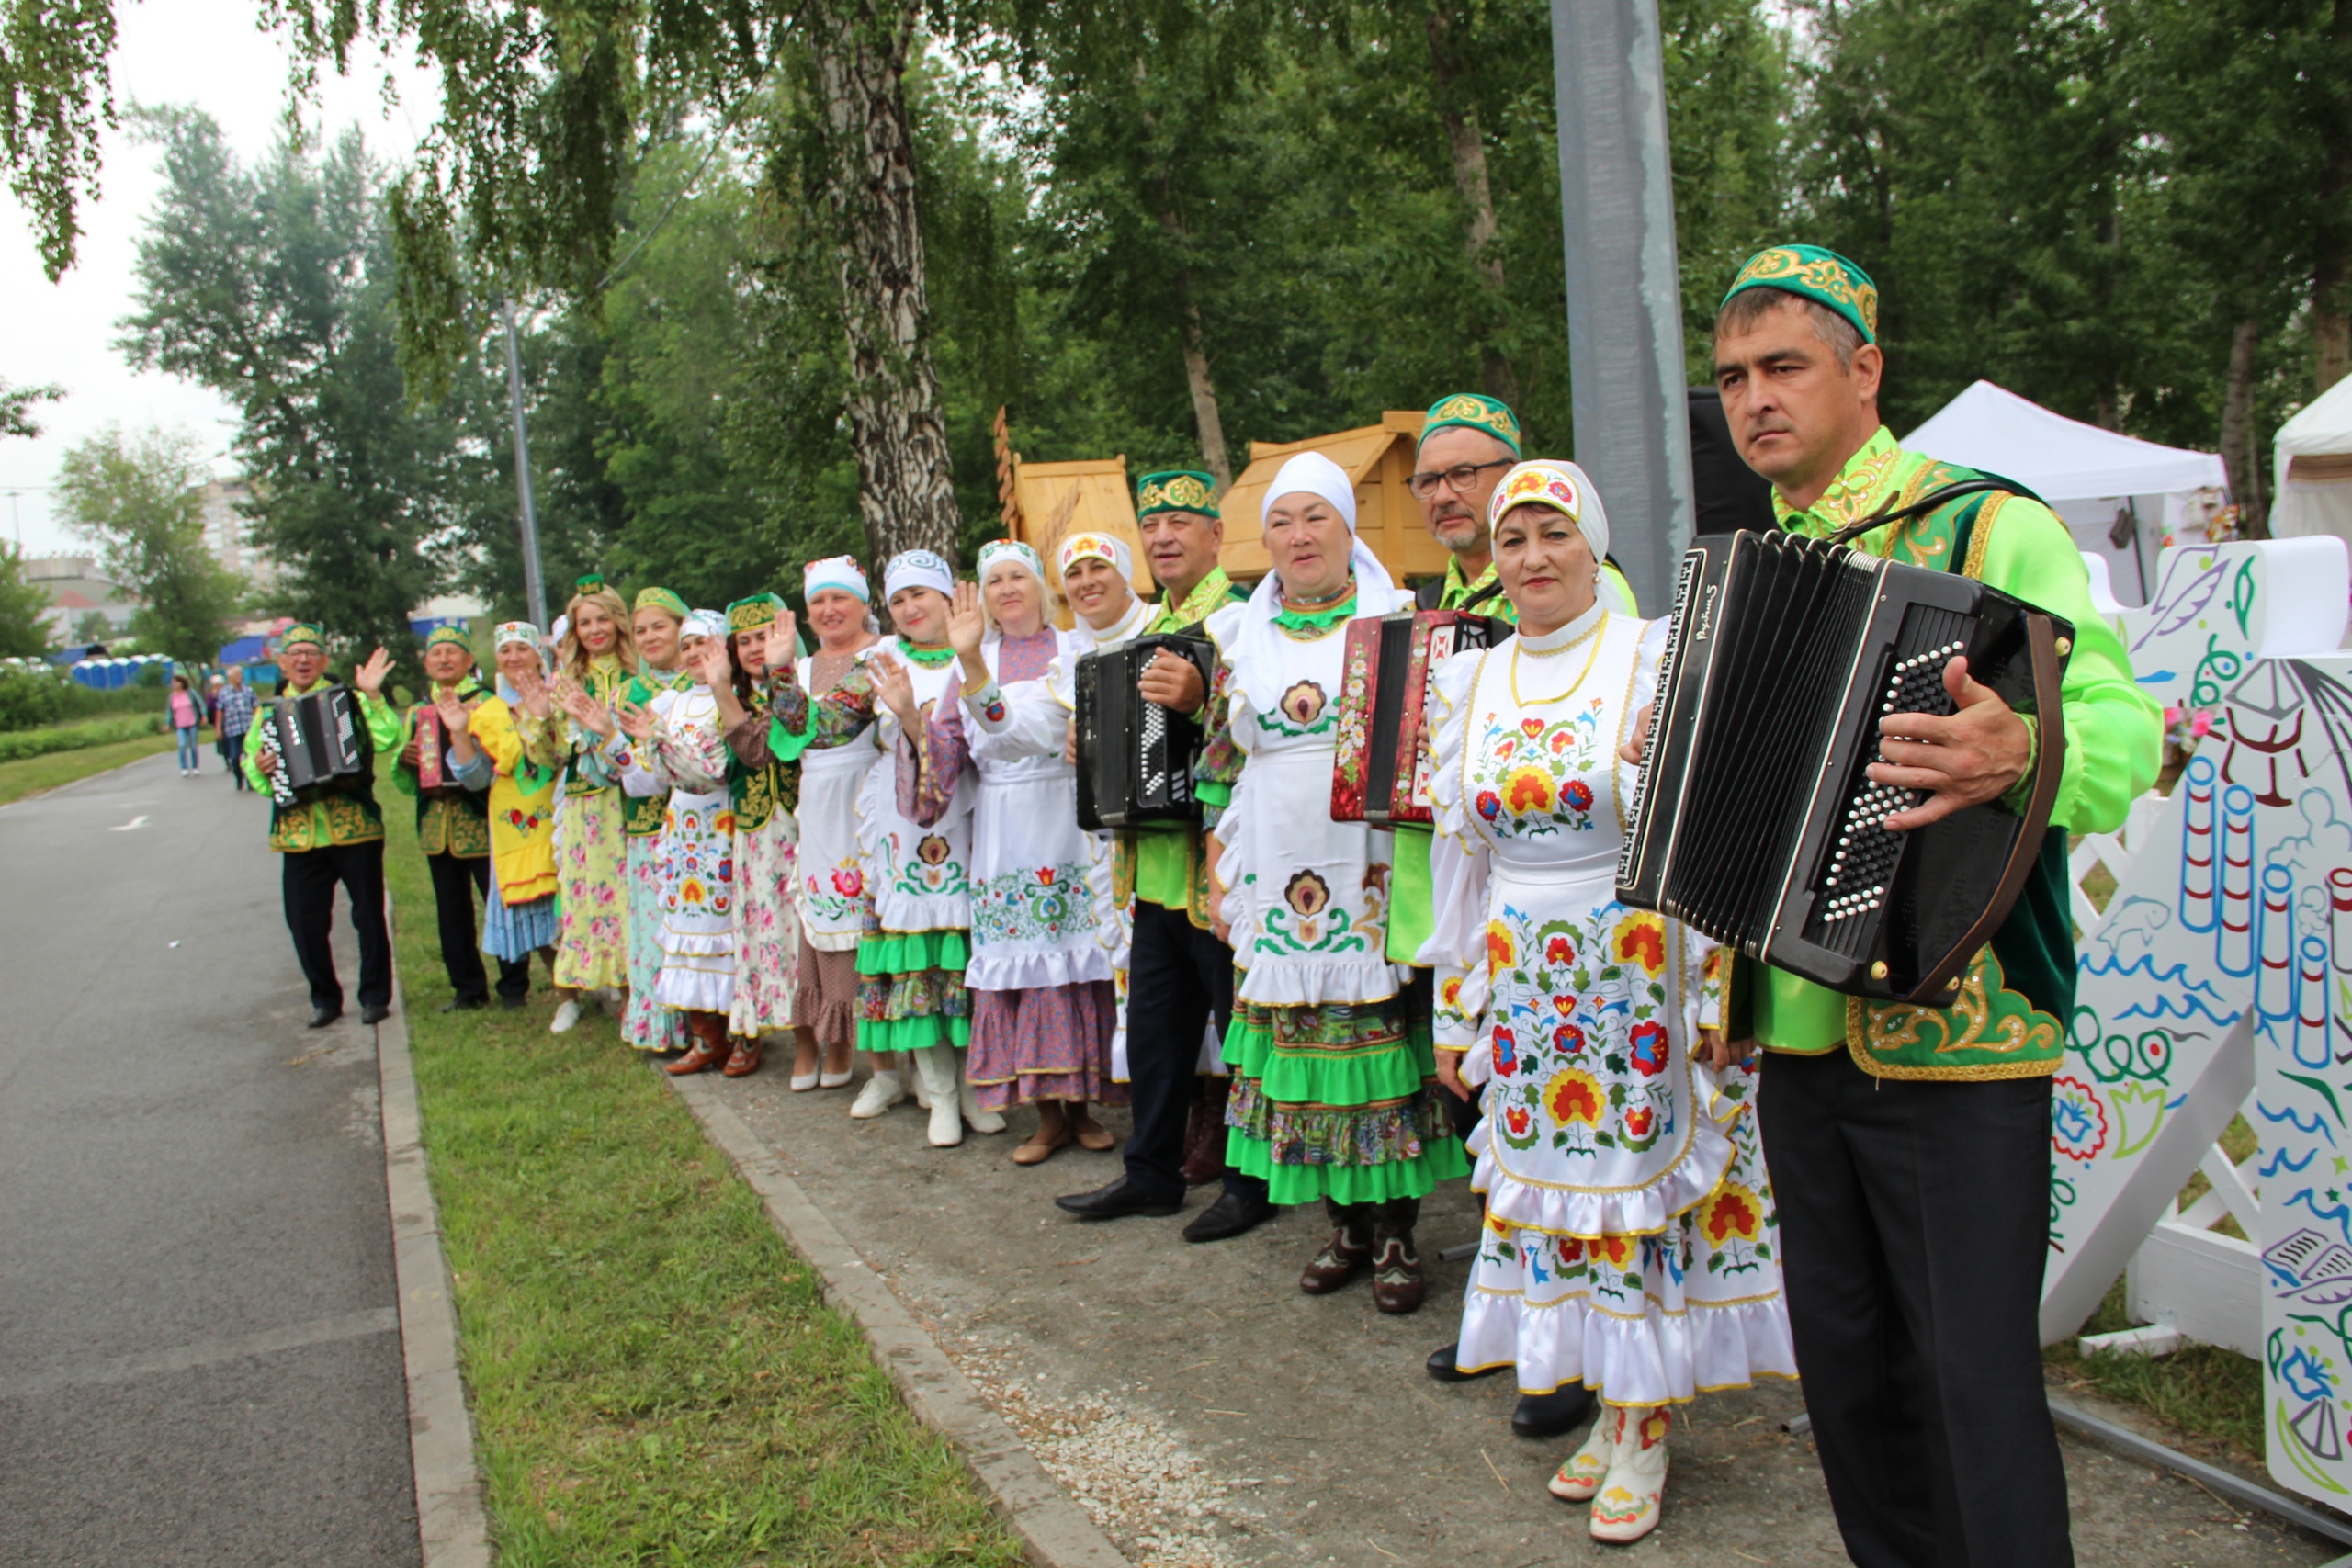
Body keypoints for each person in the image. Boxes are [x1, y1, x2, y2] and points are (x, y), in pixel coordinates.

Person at [1682, 246, 2160, 1567]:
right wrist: (1730, 985)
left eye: (1784, 364)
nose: (1756, 397)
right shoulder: (1758, 564)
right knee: (1847, 1380)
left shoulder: (1985, 524)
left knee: (1970, 1387)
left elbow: (2126, 724)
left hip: (1964, 1026)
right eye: (1732, 376)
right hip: (1801, 1043)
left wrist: (2027, 751)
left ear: (1864, 369)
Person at [1422, 459, 1797, 1543]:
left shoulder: (1652, 656)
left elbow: (1719, 817)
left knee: (1634, 1188)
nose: (1533, 557)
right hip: (1528, 975)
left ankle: (1644, 1424)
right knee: (1556, 1196)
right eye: (1512, 539)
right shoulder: (1468, 682)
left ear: (1592, 545)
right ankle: (1604, 1402)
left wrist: (1720, 988)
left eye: (1553, 533)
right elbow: (1463, 866)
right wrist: (1460, 1010)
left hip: (1639, 958)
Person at [1204, 450, 1470, 1311]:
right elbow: (1218, 765)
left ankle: (1396, 1231)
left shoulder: (1400, 621)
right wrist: (1218, 870)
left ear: (1349, 528)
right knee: (1304, 1055)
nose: (1297, 535)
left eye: (1315, 517)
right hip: (1275, 858)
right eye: (1281, 522)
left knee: (1377, 1050)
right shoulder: (1234, 636)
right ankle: (1345, 1225)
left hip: (1372, 867)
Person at [1056, 471, 1272, 1241]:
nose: (1165, 536)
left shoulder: (1244, 618)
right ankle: (1151, 1174)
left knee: (1235, 1028)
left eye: (1183, 520)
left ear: (1217, 534)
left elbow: (1263, 722)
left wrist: (1202, 691)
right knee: (1153, 1034)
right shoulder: (1147, 628)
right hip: (1151, 868)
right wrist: (1092, 749)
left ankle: (1252, 1182)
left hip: (1216, 868)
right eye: (1153, 526)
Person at [924, 545, 1121, 1165]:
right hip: (1007, 830)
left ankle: (1084, 1108)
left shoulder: (1075, 647)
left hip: (1069, 817)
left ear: (1040, 587)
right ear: (982, 597)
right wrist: (914, 719)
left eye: (1018, 577)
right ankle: (1045, 1114)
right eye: (995, 581)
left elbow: (1038, 725)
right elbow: (952, 752)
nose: (1007, 589)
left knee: (1078, 960)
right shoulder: (970, 664)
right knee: (1024, 962)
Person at [860, 550, 986, 1147]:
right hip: (903, 826)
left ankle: (970, 1087)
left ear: (947, 598)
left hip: (966, 821)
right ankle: (937, 1091)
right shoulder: (877, 661)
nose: (911, 608)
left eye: (921, 595)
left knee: (963, 960)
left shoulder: (976, 656)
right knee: (918, 960)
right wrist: (908, 716)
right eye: (898, 599)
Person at [596, 608, 738, 1074]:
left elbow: (714, 770)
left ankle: (744, 1037)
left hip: (723, 827)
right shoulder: (669, 704)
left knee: (728, 933)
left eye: (705, 642)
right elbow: (645, 784)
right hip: (682, 832)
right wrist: (612, 738)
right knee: (685, 932)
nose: (696, 652)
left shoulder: (734, 699)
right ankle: (706, 1037)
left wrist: (661, 741)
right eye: (690, 644)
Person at [242, 625, 402, 1027]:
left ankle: (375, 996)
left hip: (354, 827)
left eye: (311, 653)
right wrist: (261, 769)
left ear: (324, 661)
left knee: (367, 915)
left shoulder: (349, 700)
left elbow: (386, 739)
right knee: (304, 921)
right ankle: (324, 998)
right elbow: (253, 764)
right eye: (294, 653)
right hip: (299, 833)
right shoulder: (267, 713)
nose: (302, 660)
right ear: (281, 663)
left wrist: (375, 695)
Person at [391, 626, 521, 1011]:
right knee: (451, 910)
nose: (444, 659)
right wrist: (405, 758)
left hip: (482, 818)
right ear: (427, 664)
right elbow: (403, 776)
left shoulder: (489, 703)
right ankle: (467, 988)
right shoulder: (418, 712)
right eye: (436, 654)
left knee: (499, 903)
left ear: (469, 661)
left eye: (453, 652)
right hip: (437, 823)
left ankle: (513, 984)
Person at [706, 592, 808, 1077]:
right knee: (760, 928)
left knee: (804, 927)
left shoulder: (800, 684)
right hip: (754, 828)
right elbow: (722, 764)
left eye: (763, 636)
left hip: (803, 822)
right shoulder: (723, 698)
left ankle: (820, 1028)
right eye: (743, 640)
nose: (753, 648)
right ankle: (754, 1027)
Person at [791, 558, 883, 1094]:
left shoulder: (880, 655)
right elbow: (782, 739)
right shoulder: (800, 669)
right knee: (821, 915)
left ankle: (877, 1054)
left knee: (866, 919)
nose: (829, 610)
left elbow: (826, 727)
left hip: (865, 793)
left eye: (839, 598)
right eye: (819, 601)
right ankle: (832, 1033)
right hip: (816, 801)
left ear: (863, 603)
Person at [547, 574, 639, 1032]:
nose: (595, 629)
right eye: (585, 622)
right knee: (588, 889)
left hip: (625, 796)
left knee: (626, 889)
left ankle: (632, 991)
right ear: (574, 630)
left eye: (603, 618)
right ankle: (594, 984)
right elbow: (554, 748)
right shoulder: (568, 679)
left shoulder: (634, 673)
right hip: (585, 800)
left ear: (618, 622)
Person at [616, 587, 696, 1053]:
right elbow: (622, 768)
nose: (648, 637)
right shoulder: (630, 692)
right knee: (654, 928)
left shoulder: (702, 681)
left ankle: (709, 1027)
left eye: (658, 626)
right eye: (640, 630)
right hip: (648, 823)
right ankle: (663, 1027)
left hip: (701, 825)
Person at [472, 623, 565, 1005]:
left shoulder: (560, 693)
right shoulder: (488, 712)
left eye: (522, 649)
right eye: (505, 650)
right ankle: (566, 996)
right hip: (520, 820)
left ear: (537, 654)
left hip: (561, 807)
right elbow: (510, 756)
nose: (514, 658)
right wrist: (527, 711)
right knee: (538, 909)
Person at [215, 666, 256, 790]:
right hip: (233, 730)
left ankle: (251, 781)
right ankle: (239, 778)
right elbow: (220, 712)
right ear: (230, 678)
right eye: (237, 675)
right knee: (234, 757)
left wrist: (258, 725)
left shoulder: (248, 690)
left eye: (241, 675)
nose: (240, 677)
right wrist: (218, 729)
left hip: (248, 729)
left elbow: (256, 708)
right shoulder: (224, 693)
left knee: (249, 756)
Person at [169, 672, 203, 775]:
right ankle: (184, 767)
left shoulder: (190, 693)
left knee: (193, 745)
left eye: (176, 682)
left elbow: (200, 704)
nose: (174, 684)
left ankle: (195, 766)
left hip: (192, 722)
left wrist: (203, 715)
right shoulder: (172, 696)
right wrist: (167, 723)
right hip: (180, 725)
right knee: (182, 745)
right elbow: (169, 710)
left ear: (181, 683)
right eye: (173, 682)